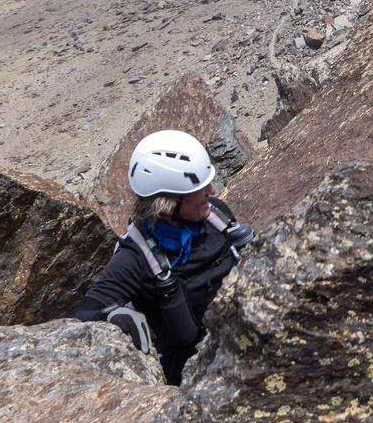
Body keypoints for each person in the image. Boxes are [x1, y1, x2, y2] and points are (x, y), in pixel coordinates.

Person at [72, 130, 252, 383]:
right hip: (197, 371)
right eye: (200, 188)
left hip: (249, 333)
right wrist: (114, 316)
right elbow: (83, 317)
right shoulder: (134, 258)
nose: (212, 190)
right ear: (168, 203)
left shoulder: (216, 216)